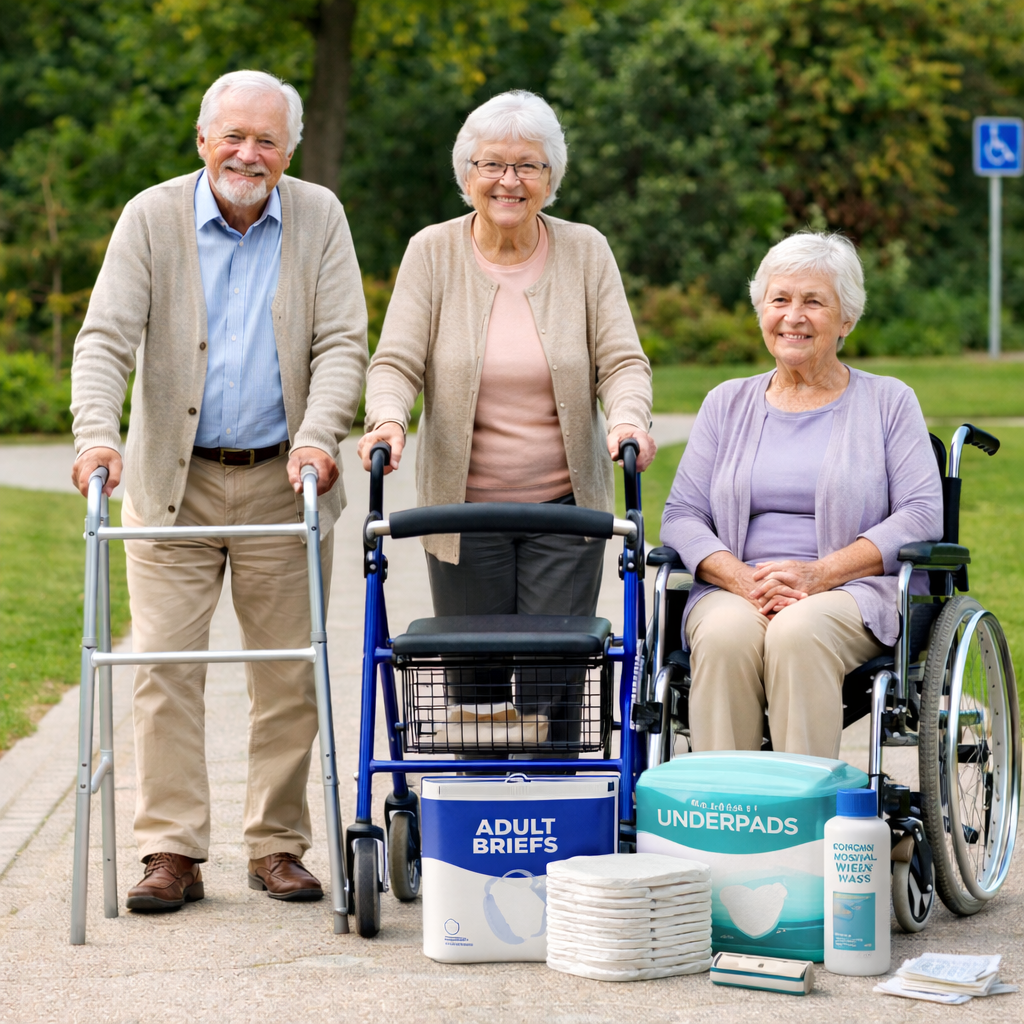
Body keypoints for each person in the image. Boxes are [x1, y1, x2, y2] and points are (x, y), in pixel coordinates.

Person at [70, 70, 368, 911]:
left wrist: (319, 435)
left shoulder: (320, 217)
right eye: (233, 136)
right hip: (175, 484)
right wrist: (96, 432)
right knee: (164, 666)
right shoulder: (152, 216)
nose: (249, 152)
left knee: (288, 676)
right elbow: (104, 339)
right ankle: (171, 850)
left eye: (267, 139)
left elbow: (345, 341)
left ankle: (276, 844)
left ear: (290, 150)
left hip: (286, 479)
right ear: (202, 140)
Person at [358, 90, 654, 748]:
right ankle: (482, 811)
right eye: (493, 164)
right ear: (467, 174)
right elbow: (396, 363)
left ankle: (557, 807)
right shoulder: (431, 252)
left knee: (556, 673)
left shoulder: (585, 250)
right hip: (463, 514)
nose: (509, 182)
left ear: (552, 178)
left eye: (529, 166)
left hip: (564, 508)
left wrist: (628, 419)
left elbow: (622, 361)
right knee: (474, 681)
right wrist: (387, 421)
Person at [661, 233, 943, 759]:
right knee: (722, 637)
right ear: (762, 312)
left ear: (846, 321)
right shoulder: (726, 402)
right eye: (780, 300)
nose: (794, 316)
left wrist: (820, 574)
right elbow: (681, 514)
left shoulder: (888, 401)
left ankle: (804, 818)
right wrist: (740, 577)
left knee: (797, 631)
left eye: (814, 302)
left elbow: (923, 513)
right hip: (738, 588)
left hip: (851, 593)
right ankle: (728, 812)